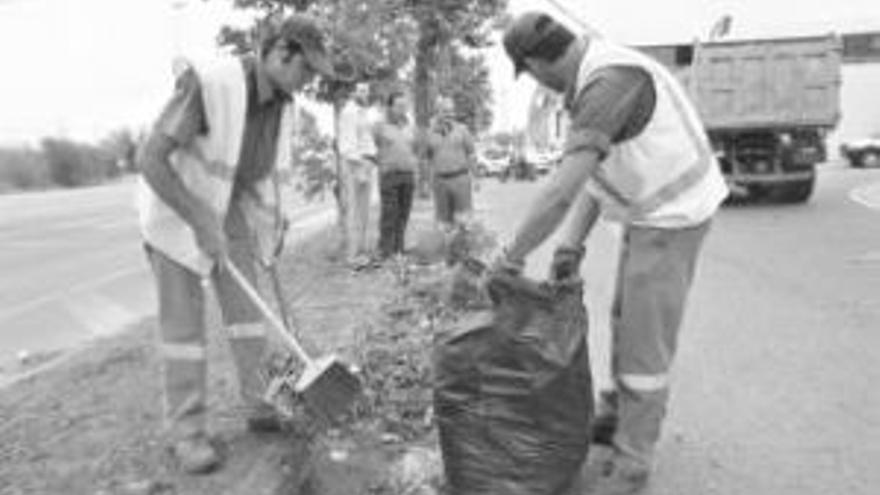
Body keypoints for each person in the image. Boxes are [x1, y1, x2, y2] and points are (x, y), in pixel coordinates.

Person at [498, 12, 728, 494]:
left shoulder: (607, 84)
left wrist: (511, 257)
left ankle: (632, 463)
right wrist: (569, 243)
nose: (536, 81)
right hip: (651, 212)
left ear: (538, 62)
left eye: (531, 73)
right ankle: (615, 414)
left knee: (644, 343)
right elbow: (594, 178)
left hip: (675, 215)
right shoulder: (595, 78)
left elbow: (561, 190)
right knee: (624, 315)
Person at [137, 15, 336, 474]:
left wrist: (270, 224)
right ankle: (188, 435)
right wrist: (198, 218)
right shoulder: (212, 84)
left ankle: (261, 406)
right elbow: (151, 158)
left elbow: (255, 176)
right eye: (306, 70)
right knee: (183, 331)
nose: (308, 83)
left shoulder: (281, 104)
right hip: (174, 208)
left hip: (225, 209)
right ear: (281, 51)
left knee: (248, 319)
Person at [372, 90, 419, 261]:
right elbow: (374, 145)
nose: (403, 109)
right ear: (390, 107)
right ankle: (385, 251)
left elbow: (412, 149)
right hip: (389, 175)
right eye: (399, 105)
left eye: (405, 106)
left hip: (408, 175)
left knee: (403, 214)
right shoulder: (380, 126)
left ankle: (399, 248)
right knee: (389, 214)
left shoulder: (409, 126)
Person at [338, 82, 378, 269]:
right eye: (361, 90)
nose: (365, 94)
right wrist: (360, 166)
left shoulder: (363, 113)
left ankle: (361, 253)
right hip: (356, 164)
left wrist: (371, 162)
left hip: (367, 163)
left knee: (364, 212)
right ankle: (352, 256)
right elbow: (347, 144)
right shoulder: (349, 112)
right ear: (353, 92)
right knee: (354, 212)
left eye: (367, 91)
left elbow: (366, 139)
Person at [426, 96, 477, 231]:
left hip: (461, 179)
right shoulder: (430, 133)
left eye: (451, 111)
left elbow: (471, 155)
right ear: (438, 113)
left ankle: (464, 249)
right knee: (444, 223)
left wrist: (476, 178)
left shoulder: (463, 130)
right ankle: (447, 249)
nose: (450, 114)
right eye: (445, 111)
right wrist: (427, 182)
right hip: (440, 182)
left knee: (464, 221)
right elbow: (427, 159)